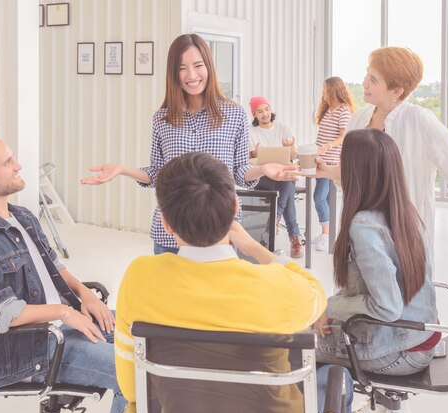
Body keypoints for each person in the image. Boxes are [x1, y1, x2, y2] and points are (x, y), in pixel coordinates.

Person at [113, 152, 348, 413]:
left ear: (166, 223)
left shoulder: (140, 277)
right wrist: (253, 247)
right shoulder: (280, 288)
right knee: (340, 380)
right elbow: (316, 290)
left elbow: (132, 390)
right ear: (237, 207)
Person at [0, 134, 126, 413]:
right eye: (7, 162)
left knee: (148, 339)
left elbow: (52, 265)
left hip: (59, 328)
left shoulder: (22, 216)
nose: (18, 165)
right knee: (136, 373)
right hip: (29, 348)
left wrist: (85, 296)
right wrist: (64, 312)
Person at [80, 34, 294, 255]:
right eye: (182, 68)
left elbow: (239, 172)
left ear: (209, 66)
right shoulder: (162, 118)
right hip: (172, 232)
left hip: (220, 229)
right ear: (173, 73)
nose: (191, 75)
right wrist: (123, 170)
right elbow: (157, 173)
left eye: (198, 65)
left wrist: (263, 169)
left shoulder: (234, 115)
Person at [316, 47, 448, 260]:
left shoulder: (419, 119)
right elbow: (351, 174)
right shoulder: (358, 119)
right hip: (362, 234)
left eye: (373, 79)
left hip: (403, 237)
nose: (364, 83)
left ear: (396, 91)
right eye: (367, 74)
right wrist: (327, 171)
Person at [314, 128, 439, 413]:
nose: (339, 167)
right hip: (420, 331)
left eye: (343, 161)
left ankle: (332, 404)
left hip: (399, 348)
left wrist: (330, 306)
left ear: (357, 171)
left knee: (294, 345)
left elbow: (386, 306)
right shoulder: (403, 210)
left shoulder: (364, 226)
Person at [248, 96, 303, 258]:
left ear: (270, 110)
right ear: (255, 115)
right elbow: (243, 158)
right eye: (259, 111)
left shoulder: (282, 127)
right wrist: (254, 153)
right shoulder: (250, 131)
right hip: (263, 176)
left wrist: (290, 148)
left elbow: (294, 155)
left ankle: (275, 218)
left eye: (266, 109)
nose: (264, 114)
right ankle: (294, 237)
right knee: (288, 188)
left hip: (283, 174)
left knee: (287, 177)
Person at [312, 77, 355, 252]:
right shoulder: (328, 109)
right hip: (320, 159)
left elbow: (344, 136)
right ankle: (329, 233)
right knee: (327, 198)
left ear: (334, 90)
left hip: (331, 161)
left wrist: (330, 145)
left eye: (325, 89)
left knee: (319, 198)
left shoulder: (343, 111)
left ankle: (326, 235)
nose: (323, 92)